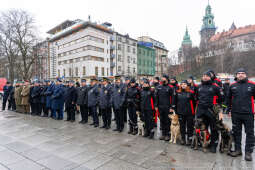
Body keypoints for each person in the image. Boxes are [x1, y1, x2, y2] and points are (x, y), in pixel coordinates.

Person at [227, 68, 255, 161]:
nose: (240, 75)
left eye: (243, 73)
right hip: (236, 114)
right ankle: (238, 150)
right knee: (236, 133)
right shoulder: (232, 86)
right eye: (239, 73)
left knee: (250, 133)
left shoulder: (252, 85)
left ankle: (248, 152)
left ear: (246, 75)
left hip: (248, 114)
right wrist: (228, 110)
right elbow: (228, 99)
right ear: (236, 75)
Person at [196, 71, 224, 153]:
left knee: (214, 129)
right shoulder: (199, 86)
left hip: (212, 111)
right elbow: (196, 98)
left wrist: (220, 111)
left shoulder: (215, 87)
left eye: (207, 76)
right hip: (201, 111)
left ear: (210, 77)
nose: (205, 77)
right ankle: (205, 143)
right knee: (203, 128)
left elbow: (221, 99)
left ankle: (213, 145)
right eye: (203, 75)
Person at [155, 74, 175, 141]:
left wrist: (172, 107)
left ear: (166, 79)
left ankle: (168, 135)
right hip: (160, 107)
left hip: (168, 107)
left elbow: (173, 98)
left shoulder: (170, 87)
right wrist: (156, 106)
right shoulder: (159, 87)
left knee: (167, 121)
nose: (162, 79)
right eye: (162, 78)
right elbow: (156, 97)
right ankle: (163, 134)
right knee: (162, 120)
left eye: (163, 78)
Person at [175, 80, 195, 145]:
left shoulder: (191, 92)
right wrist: (176, 111)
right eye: (182, 84)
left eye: (184, 84)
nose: (183, 85)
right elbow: (175, 102)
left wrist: (193, 112)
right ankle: (183, 139)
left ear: (187, 85)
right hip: (180, 113)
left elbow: (194, 102)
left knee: (190, 126)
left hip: (189, 113)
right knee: (182, 126)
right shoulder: (177, 92)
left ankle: (189, 139)